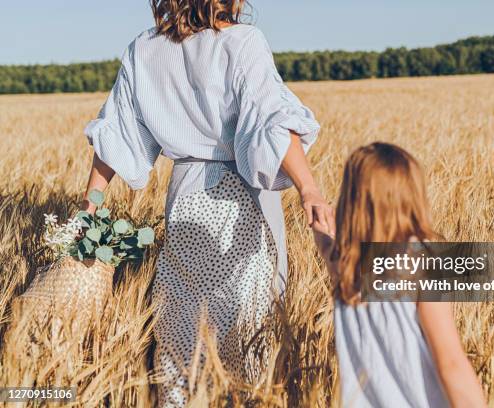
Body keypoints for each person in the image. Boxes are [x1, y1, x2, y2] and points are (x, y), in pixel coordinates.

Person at [79, 1, 334, 405]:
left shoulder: (143, 49)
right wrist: (309, 190)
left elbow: (116, 135)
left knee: (181, 325)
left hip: (184, 198)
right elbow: (273, 118)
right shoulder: (243, 41)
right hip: (242, 197)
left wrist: (89, 209)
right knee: (248, 325)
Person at [312, 142, 486, 408]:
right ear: (413, 198)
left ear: (352, 201)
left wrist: (318, 218)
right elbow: (450, 362)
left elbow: (327, 248)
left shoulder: (346, 266)